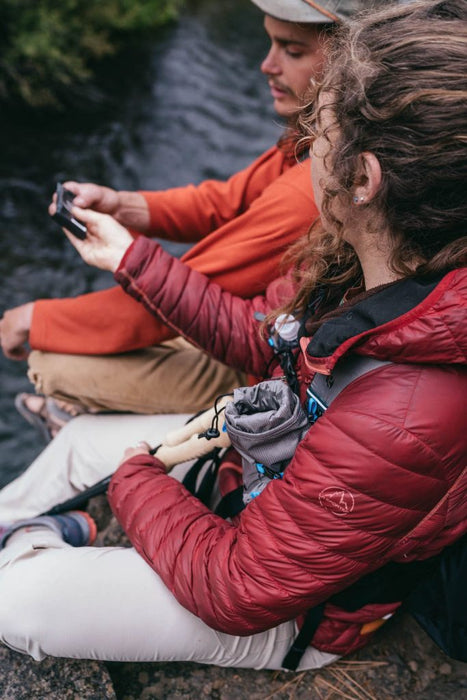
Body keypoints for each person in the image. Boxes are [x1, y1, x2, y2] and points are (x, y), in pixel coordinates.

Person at [1, 0, 466, 670]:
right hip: (258, 484)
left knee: (18, 600)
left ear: (362, 180)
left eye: (320, 138)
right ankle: (30, 532)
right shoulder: (367, 268)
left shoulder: (411, 408)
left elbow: (239, 589)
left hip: (301, 616)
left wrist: (135, 478)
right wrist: (128, 258)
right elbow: (259, 341)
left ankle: (30, 545)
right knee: (76, 442)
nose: (304, 154)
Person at [0, 0, 364, 438]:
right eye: (270, 43)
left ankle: (104, 428)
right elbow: (226, 202)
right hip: (269, 332)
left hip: (270, 370)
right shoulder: (320, 141)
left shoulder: (314, 188)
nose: (266, 64)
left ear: (350, 62)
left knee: (48, 363)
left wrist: (32, 319)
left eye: (292, 50)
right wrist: (123, 204)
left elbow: (171, 298)